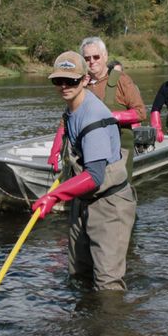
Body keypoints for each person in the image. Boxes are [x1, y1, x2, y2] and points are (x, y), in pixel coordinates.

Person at [33, 51, 137, 291]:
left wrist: (53, 196)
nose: (63, 86)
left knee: (107, 283)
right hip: (83, 201)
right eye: (57, 81)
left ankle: (112, 326)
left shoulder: (93, 117)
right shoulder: (71, 111)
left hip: (109, 204)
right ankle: (83, 327)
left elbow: (94, 176)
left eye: (70, 81)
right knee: (78, 273)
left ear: (84, 80)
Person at [47, 37, 145, 179]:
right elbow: (66, 120)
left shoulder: (122, 80)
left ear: (105, 56)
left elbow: (140, 112)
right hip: (86, 151)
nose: (92, 61)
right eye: (87, 58)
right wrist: (55, 150)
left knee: (116, 190)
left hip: (118, 150)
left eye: (96, 57)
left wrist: (110, 117)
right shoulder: (77, 84)